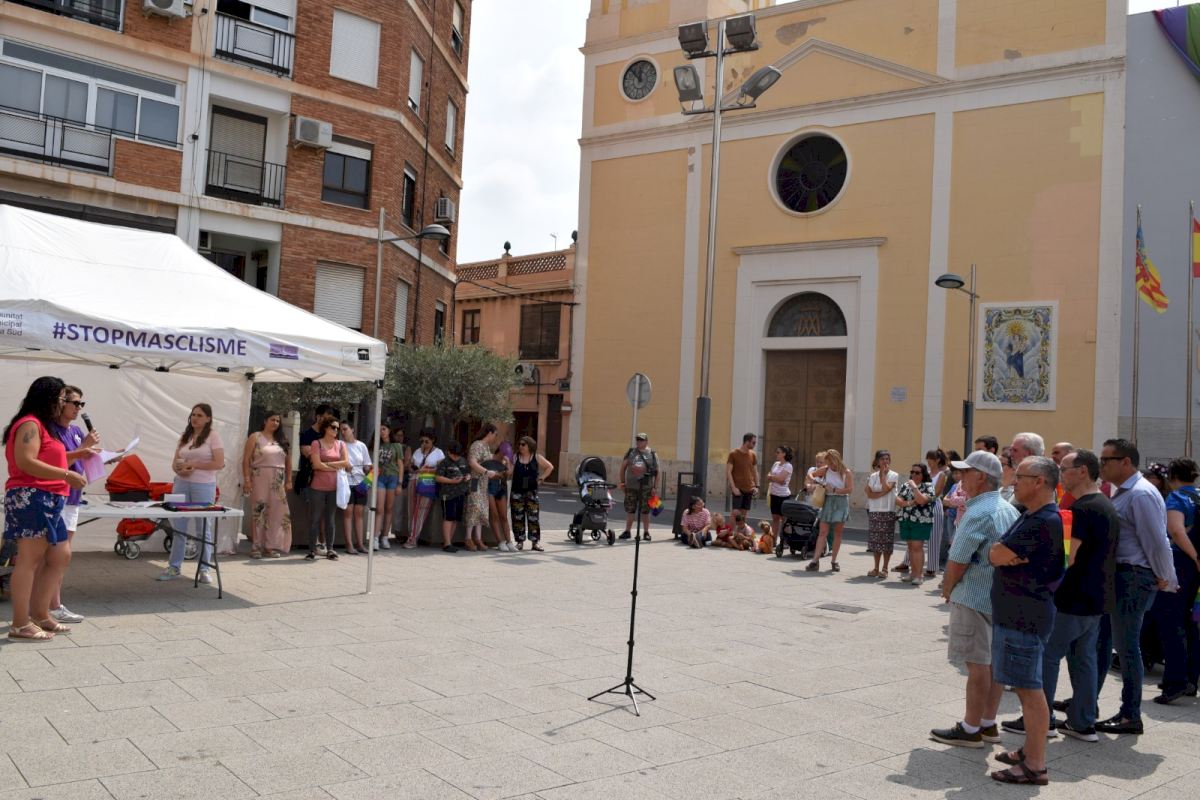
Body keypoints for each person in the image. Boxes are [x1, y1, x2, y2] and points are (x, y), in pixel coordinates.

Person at [1023, 449, 1118, 742]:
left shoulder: (1083, 509)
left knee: (1048, 656)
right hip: (1096, 597)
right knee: (1084, 659)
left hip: (1073, 598)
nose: (1060, 474)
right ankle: (1083, 722)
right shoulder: (1103, 504)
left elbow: (1069, 557)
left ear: (1083, 471)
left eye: (1064, 468)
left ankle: (1043, 721)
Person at [930, 451, 1019, 747]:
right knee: (992, 664)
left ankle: (970, 728)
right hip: (999, 597)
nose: (960, 477)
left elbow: (958, 560)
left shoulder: (978, 512)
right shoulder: (1008, 509)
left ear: (981, 477)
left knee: (977, 664)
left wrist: (947, 588)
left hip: (974, 596)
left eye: (965, 472)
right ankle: (987, 723)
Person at [987, 456, 1064, 786]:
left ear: (1040, 482)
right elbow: (998, 551)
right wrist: (1001, 553)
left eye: (1020, 476)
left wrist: (1002, 554)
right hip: (1017, 613)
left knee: (1030, 691)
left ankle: (1035, 765)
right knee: (1024, 687)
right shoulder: (1030, 515)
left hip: (1024, 616)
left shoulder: (1042, 521)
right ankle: (1029, 751)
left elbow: (996, 554)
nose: (1014, 481)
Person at [1095, 438, 1177, 735]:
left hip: (1133, 577)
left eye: (1106, 460)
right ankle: (1089, 702)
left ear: (1126, 462)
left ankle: (1130, 714)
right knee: (1107, 642)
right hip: (1120, 576)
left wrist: (1166, 576)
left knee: (1127, 646)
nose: (1102, 465)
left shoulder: (1141, 494)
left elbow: (1156, 541)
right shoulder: (1124, 492)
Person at [4, 377, 86, 641]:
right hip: (31, 496)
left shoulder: (45, 426)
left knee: (60, 555)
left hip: (50, 498)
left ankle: (40, 614)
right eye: (63, 398)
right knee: (29, 559)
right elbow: (25, 461)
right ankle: (20, 623)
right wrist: (66, 475)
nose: (64, 403)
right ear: (49, 397)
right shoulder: (29, 423)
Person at [45, 384, 99, 623]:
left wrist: (102, 456)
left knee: (63, 556)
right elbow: (55, 463)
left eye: (81, 404)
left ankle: (52, 604)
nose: (79, 408)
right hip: (58, 497)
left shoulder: (76, 430)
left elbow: (79, 458)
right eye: (75, 403)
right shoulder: (51, 430)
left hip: (74, 498)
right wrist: (83, 448)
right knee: (55, 555)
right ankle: (52, 606)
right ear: (61, 403)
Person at [1150, 458, 1200, 704]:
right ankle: (1191, 678)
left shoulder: (1177, 498)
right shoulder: (1198, 496)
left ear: (1171, 477)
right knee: (1191, 622)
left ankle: (1175, 681)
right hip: (1195, 567)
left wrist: (1195, 556)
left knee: (1170, 620)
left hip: (1181, 564)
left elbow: (1176, 530)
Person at [159, 404, 224, 583]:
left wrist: (194, 465)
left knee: (203, 527)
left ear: (208, 419)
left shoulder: (213, 436)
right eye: (193, 414)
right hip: (181, 483)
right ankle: (174, 567)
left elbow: (219, 463)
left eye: (200, 415)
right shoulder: (185, 436)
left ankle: (204, 569)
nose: (195, 418)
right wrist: (180, 470)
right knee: (178, 526)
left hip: (203, 485)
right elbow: (175, 463)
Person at [241, 411, 292, 559]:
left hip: (278, 480)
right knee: (259, 511)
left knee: (277, 512)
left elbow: (288, 461)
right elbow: (246, 459)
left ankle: (271, 546)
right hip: (259, 477)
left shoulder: (282, 439)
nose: (275, 423)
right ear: (265, 421)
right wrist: (247, 480)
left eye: (277, 421)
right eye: (272, 420)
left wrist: (289, 480)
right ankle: (256, 546)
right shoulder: (255, 437)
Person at [296, 404, 337, 554]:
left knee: (327, 514)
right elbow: (312, 458)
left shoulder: (331, 435)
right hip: (310, 479)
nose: (328, 422)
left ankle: (324, 543)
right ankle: (316, 545)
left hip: (329, 481)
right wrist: (330, 461)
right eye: (325, 417)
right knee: (315, 514)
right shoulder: (307, 434)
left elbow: (340, 458)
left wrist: (324, 460)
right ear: (318, 416)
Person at [305, 418, 347, 561]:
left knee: (330, 519)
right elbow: (316, 464)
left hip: (335, 487)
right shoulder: (316, 443)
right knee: (315, 518)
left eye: (337, 428)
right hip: (317, 486)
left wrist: (326, 465)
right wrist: (335, 466)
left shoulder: (341, 444)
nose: (336, 430)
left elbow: (346, 463)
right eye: (333, 427)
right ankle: (312, 550)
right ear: (325, 428)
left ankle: (330, 549)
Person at [806, 449, 852, 572]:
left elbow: (849, 489)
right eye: (828, 462)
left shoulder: (846, 472)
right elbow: (810, 475)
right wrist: (820, 483)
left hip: (841, 502)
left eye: (831, 462)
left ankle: (834, 560)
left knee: (838, 533)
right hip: (828, 501)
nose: (830, 465)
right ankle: (815, 561)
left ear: (837, 460)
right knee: (823, 532)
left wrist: (835, 490)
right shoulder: (826, 469)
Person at [509, 435, 554, 552]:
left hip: (531, 493)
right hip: (517, 492)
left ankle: (535, 543)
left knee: (533, 518)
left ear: (530, 446)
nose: (520, 446)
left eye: (523, 444)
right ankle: (519, 542)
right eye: (519, 444)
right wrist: (507, 463)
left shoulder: (536, 457)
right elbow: (509, 472)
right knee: (517, 518)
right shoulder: (515, 457)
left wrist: (541, 479)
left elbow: (550, 467)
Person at [895, 463, 934, 585]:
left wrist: (914, 488)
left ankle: (919, 575)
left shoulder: (928, 486)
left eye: (917, 472)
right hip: (906, 519)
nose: (913, 474)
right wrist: (910, 503)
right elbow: (898, 500)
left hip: (921, 521)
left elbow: (922, 500)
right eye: (912, 472)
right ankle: (913, 573)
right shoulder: (905, 485)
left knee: (917, 547)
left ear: (923, 474)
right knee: (911, 547)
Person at [465, 424, 502, 551]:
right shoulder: (477, 445)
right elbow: (472, 462)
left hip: (483, 482)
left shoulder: (486, 446)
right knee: (473, 507)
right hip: (475, 481)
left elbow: (489, 462)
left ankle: (478, 539)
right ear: (489, 433)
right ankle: (468, 538)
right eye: (495, 434)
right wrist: (486, 472)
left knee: (481, 509)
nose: (496, 437)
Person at [616, 433, 658, 543]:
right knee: (630, 510)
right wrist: (622, 483)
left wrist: (655, 487)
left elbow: (657, 472)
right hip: (631, 487)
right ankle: (627, 531)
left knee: (645, 511)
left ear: (646, 441)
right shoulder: (631, 452)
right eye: (638, 440)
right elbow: (623, 468)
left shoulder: (652, 454)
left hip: (646, 488)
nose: (639, 442)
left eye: (641, 440)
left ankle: (646, 532)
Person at [406, 429, 444, 548]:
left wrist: (427, 470)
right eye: (422, 441)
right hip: (414, 480)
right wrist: (414, 468)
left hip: (427, 481)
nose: (424, 444)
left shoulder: (438, 452)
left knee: (420, 510)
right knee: (411, 509)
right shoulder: (418, 451)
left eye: (426, 441)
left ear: (433, 440)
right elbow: (410, 466)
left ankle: (413, 538)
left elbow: (441, 469)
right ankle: (411, 535)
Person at [865, 449, 899, 577]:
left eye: (887, 459)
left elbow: (886, 488)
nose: (885, 461)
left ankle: (885, 569)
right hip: (874, 511)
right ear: (877, 461)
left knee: (886, 541)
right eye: (882, 459)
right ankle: (875, 568)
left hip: (888, 511)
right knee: (875, 541)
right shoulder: (873, 476)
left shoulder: (893, 475)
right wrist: (880, 494)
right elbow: (868, 493)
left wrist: (884, 476)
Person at [339, 422, 371, 555]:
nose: (343, 432)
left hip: (361, 482)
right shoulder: (340, 445)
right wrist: (344, 465)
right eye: (341, 430)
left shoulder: (361, 445)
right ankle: (349, 544)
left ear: (352, 429)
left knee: (359, 512)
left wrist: (366, 469)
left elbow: (368, 464)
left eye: (345, 429)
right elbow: (338, 463)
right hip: (346, 481)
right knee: (348, 512)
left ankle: (360, 544)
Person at [435, 441, 470, 553]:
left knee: (455, 519)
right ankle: (447, 544)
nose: (456, 457)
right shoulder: (444, 462)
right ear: (448, 452)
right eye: (453, 455)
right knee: (448, 517)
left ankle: (449, 541)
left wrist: (467, 477)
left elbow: (468, 473)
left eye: (458, 455)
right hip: (448, 494)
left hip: (461, 493)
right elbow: (438, 477)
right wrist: (452, 481)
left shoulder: (463, 461)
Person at [373, 424, 403, 550]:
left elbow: (400, 465)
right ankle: (375, 537)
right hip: (380, 477)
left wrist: (400, 483)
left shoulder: (397, 446)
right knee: (379, 508)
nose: (382, 432)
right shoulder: (377, 444)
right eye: (380, 430)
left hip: (393, 477)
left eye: (384, 429)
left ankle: (385, 536)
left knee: (389, 508)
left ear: (389, 430)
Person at [489, 438, 514, 550]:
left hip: (501, 488)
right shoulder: (490, 457)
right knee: (494, 515)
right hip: (489, 488)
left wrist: (508, 462)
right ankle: (500, 542)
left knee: (504, 516)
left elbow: (509, 474)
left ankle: (509, 542)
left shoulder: (507, 461)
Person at [726, 433, 759, 513]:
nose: (754, 444)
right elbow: (728, 472)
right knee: (735, 513)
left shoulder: (753, 454)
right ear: (747, 442)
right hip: (738, 488)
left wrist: (757, 486)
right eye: (753, 442)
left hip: (749, 488)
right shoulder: (733, 454)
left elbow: (755, 471)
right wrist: (733, 488)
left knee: (744, 513)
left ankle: (742, 522)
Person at [767, 446, 794, 540]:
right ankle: (773, 540)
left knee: (784, 519)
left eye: (778, 452)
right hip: (774, 494)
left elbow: (781, 479)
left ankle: (786, 541)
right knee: (775, 518)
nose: (776, 454)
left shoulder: (788, 466)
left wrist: (773, 478)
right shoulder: (776, 464)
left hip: (783, 496)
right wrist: (775, 478)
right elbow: (769, 476)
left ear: (784, 454)